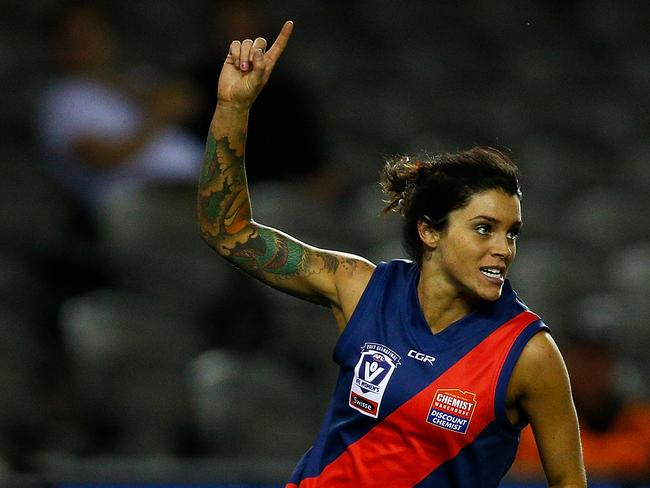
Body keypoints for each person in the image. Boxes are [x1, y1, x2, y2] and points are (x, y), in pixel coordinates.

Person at [197, 21, 586, 487]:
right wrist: (232, 108)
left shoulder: (528, 354)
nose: (503, 248)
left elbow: (569, 483)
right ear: (429, 231)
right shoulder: (361, 290)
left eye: (512, 233)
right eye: (484, 228)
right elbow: (228, 231)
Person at [37, 1, 204, 216]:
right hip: (138, 199)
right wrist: (156, 118)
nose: (84, 42)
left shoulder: (133, 80)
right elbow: (102, 158)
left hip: (194, 186)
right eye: (73, 36)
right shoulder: (63, 100)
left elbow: (187, 99)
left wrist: (135, 92)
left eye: (91, 31)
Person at [511, 332, 650, 482]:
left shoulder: (637, 419)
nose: (589, 370)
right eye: (581, 359)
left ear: (612, 366)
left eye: (597, 359)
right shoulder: (533, 423)